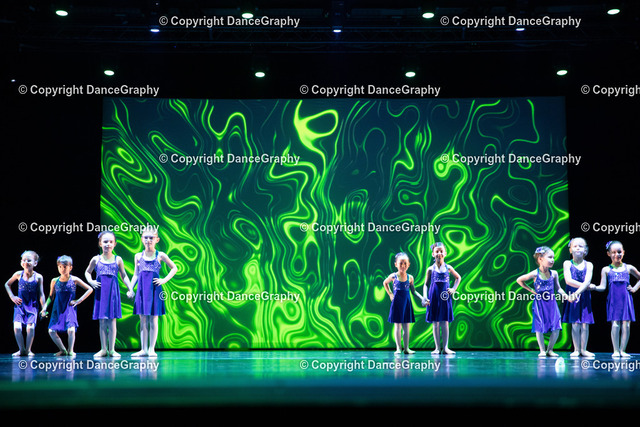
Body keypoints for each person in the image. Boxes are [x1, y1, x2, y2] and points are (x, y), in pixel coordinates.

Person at [127, 226, 177, 357]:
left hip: (154, 290)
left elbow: (174, 268)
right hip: (142, 290)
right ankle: (143, 349)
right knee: (143, 319)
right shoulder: (138, 256)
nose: (148, 240)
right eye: (146, 237)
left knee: (153, 319)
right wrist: (130, 288)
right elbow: (136, 274)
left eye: (151, 238)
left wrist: (164, 280)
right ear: (142, 239)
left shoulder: (160, 255)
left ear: (157, 240)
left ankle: (151, 349)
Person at [85, 231, 132, 358]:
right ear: (100, 243)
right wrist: (91, 281)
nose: (108, 244)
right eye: (105, 241)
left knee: (112, 322)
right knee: (102, 322)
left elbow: (124, 275)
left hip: (113, 294)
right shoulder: (96, 259)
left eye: (111, 242)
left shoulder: (118, 259)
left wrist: (130, 288)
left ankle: (112, 350)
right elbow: (87, 272)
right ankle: (103, 349)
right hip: (101, 293)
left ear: (115, 244)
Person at [516, 246, 568, 357]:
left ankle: (550, 350)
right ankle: (542, 350)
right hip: (540, 304)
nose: (552, 260)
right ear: (540, 259)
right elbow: (519, 280)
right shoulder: (535, 274)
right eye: (550, 257)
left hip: (552, 304)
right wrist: (531, 290)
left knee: (556, 324)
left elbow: (558, 288)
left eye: (553, 257)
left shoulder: (554, 273)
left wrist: (566, 296)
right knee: (539, 325)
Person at [41, 255, 93, 357]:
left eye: (65, 267)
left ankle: (70, 350)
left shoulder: (74, 279)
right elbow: (51, 297)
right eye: (60, 266)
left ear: (70, 267)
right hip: (57, 308)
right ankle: (63, 350)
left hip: (69, 308)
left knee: (71, 329)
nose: (62, 269)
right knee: (51, 331)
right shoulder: (54, 281)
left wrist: (79, 300)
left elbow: (90, 289)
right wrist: (44, 307)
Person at [595, 241, 640, 358]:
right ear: (608, 254)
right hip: (614, 300)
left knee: (626, 325)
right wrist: (593, 287)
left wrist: (635, 288)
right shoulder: (606, 269)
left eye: (619, 252)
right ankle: (615, 350)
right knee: (615, 325)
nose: (617, 255)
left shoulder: (628, 267)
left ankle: (623, 350)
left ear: (623, 252)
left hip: (626, 300)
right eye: (613, 252)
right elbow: (602, 287)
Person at [562, 238, 600, 357]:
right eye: (575, 246)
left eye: (581, 246)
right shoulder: (567, 263)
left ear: (585, 251)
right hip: (572, 296)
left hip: (583, 296)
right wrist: (585, 287)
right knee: (575, 323)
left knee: (585, 323)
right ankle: (576, 349)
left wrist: (578, 292)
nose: (578, 248)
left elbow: (587, 280)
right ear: (570, 250)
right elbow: (568, 281)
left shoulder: (589, 264)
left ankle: (584, 349)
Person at [422, 242, 461, 355]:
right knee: (435, 322)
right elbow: (425, 284)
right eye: (437, 251)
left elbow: (458, 278)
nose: (439, 253)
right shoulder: (430, 269)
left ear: (445, 253)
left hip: (444, 298)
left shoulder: (449, 268)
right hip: (433, 298)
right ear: (433, 254)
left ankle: (445, 347)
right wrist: (424, 297)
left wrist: (453, 289)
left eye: (441, 251)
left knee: (445, 322)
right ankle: (437, 348)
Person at [383, 252, 426, 354]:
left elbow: (413, 291)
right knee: (398, 327)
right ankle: (398, 348)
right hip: (397, 304)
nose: (403, 265)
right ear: (396, 264)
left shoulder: (410, 278)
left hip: (406, 304)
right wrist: (390, 294)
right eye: (401, 263)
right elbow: (385, 283)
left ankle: (406, 348)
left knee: (406, 327)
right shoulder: (393, 276)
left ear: (409, 264)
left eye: (405, 263)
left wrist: (422, 298)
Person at [4, 251, 45, 357]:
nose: (26, 262)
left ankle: (28, 350)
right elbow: (7, 284)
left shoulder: (38, 277)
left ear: (35, 263)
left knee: (30, 328)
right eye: (24, 260)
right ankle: (21, 349)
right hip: (20, 306)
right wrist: (12, 296)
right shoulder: (18, 274)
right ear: (21, 262)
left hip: (32, 306)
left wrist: (44, 308)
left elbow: (41, 294)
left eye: (29, 260)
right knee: (17, 327)